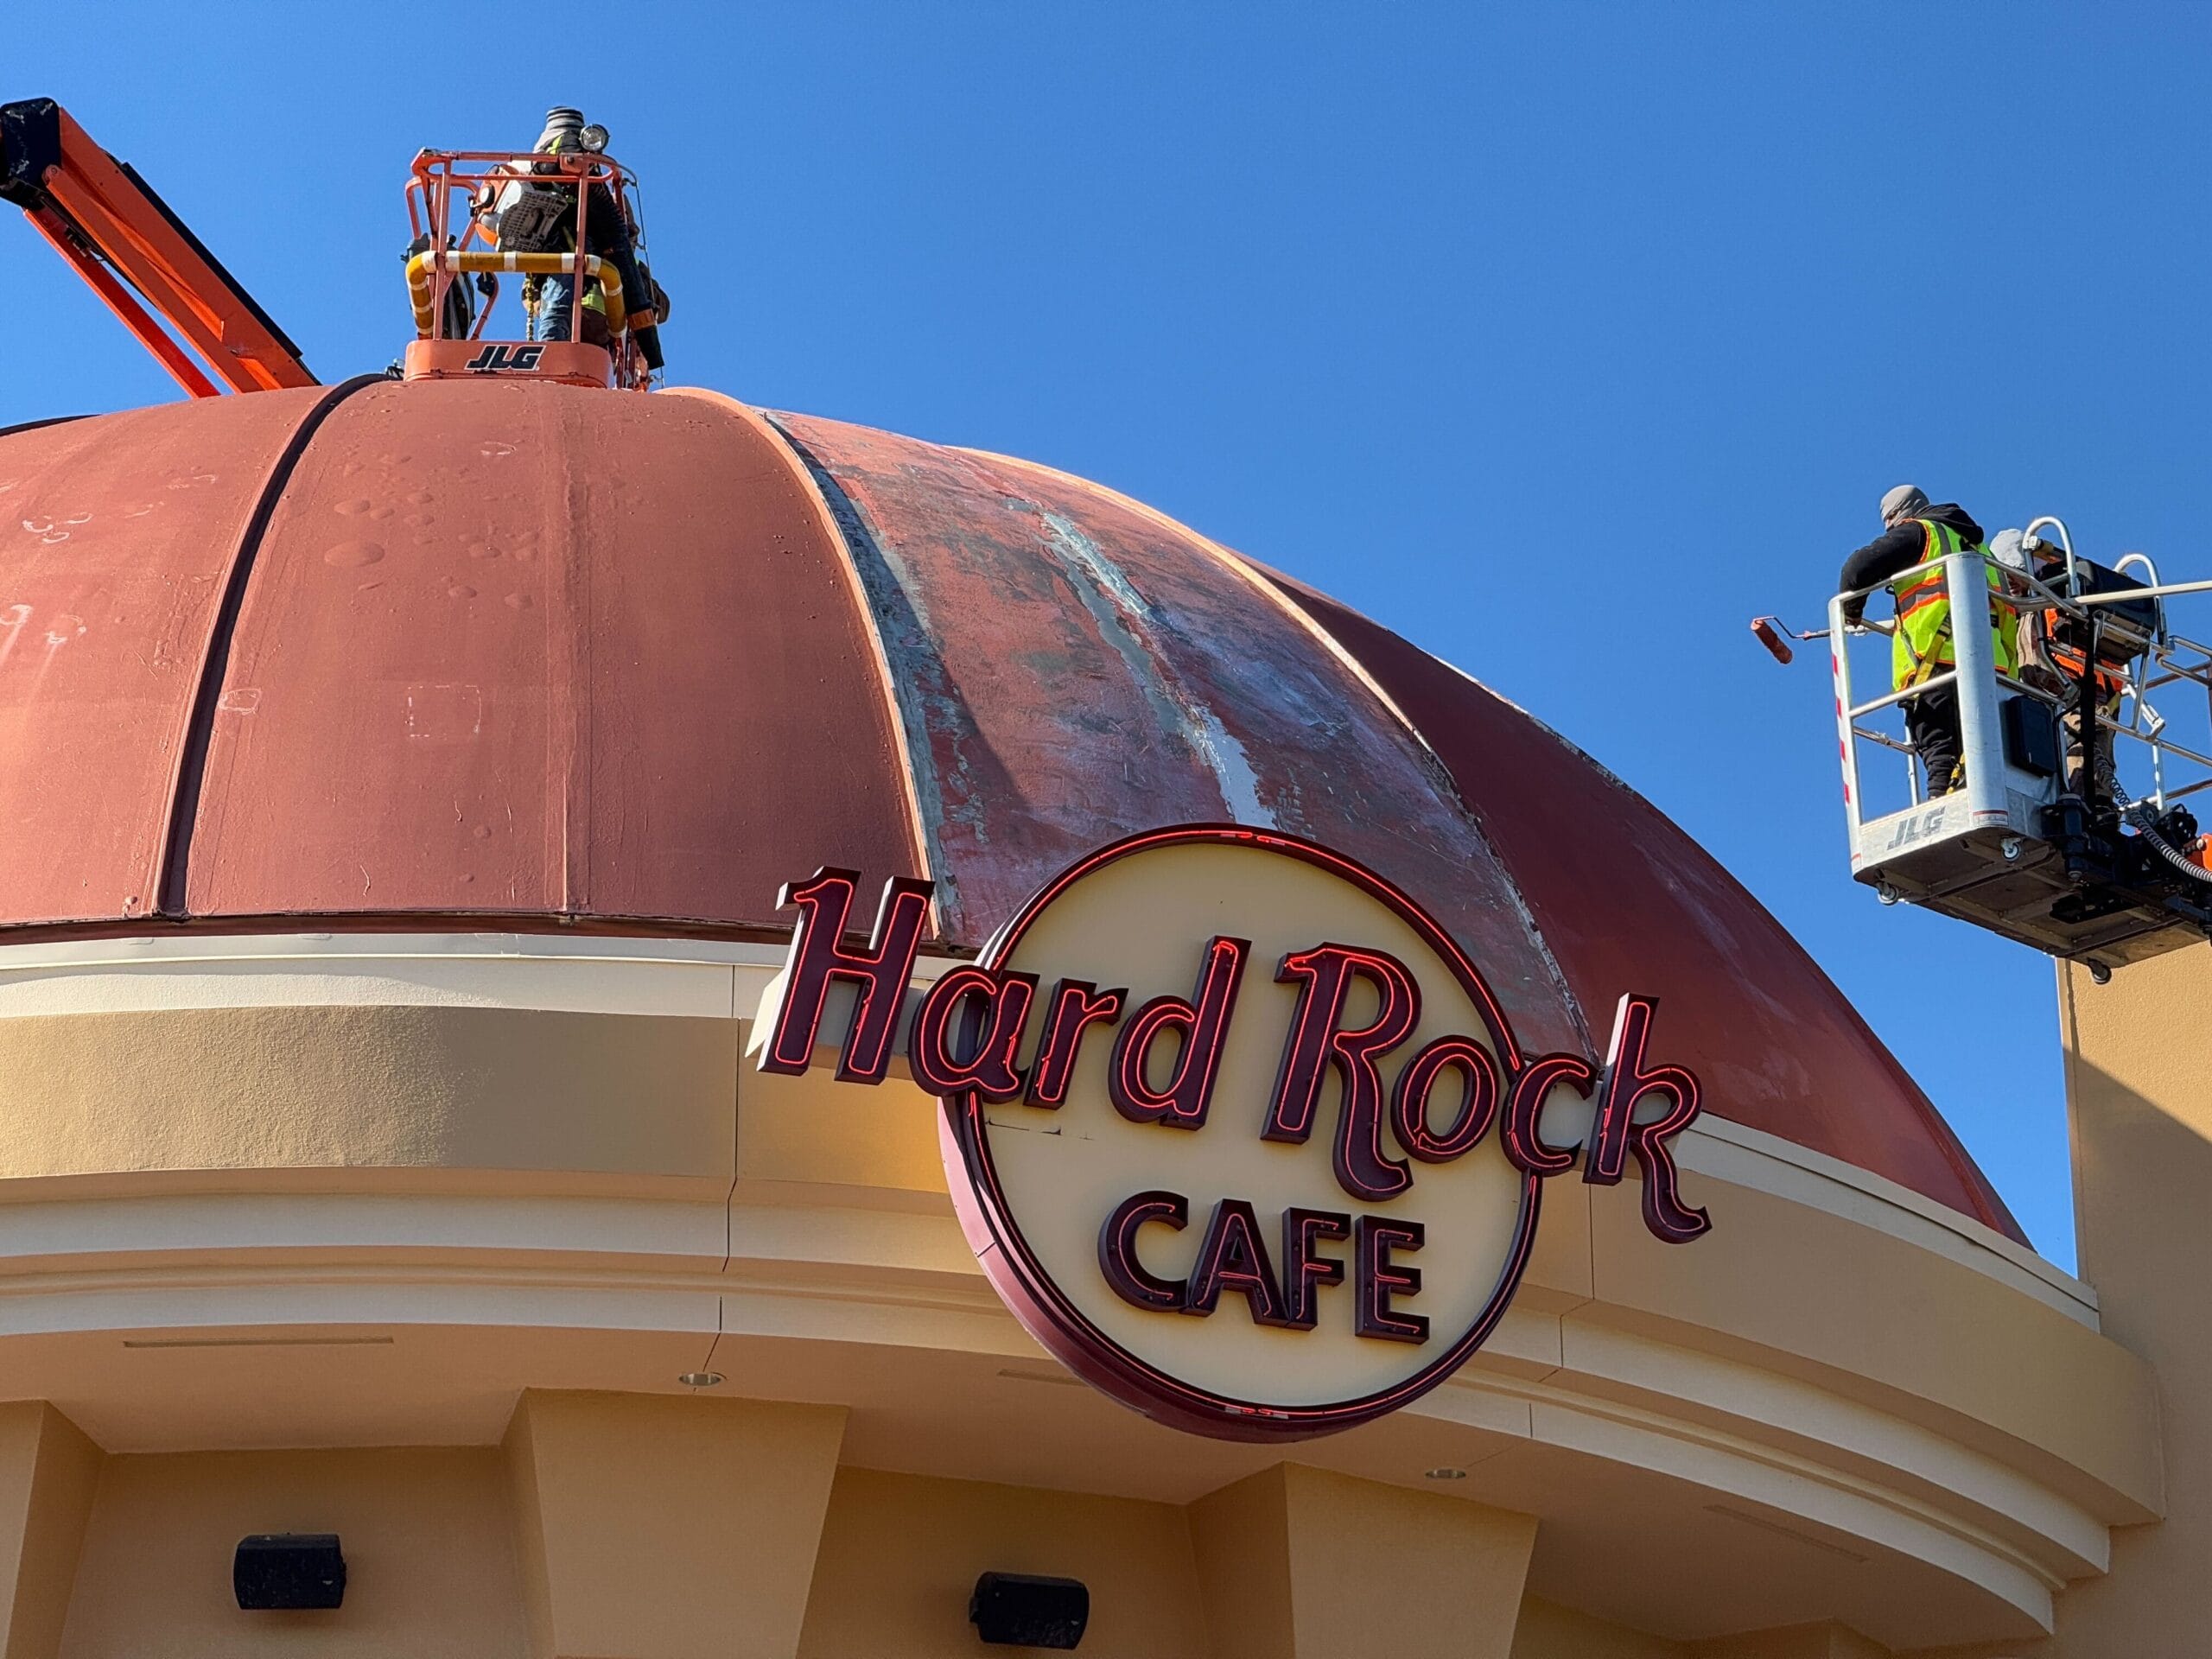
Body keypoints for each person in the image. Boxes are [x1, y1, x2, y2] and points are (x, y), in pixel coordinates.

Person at [1837, 485, 2018, 797]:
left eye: (1890, 521)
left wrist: (1851, 611)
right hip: (1991, 671)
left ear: (1900, 514)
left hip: (1937, 667)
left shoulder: (1919, 533)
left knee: (1939, 751)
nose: (1891, 529)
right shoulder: (1980, 550)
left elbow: (1856, 570)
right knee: (1979, 756)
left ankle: (1942, 810)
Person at [496, 107, 664, 370]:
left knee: (564, 325)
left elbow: (660, 306)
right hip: (578, 305)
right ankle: (550, 367)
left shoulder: (623, 262)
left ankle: (551, 367)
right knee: (560, 317)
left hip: (594, 323)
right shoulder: (559, 205)